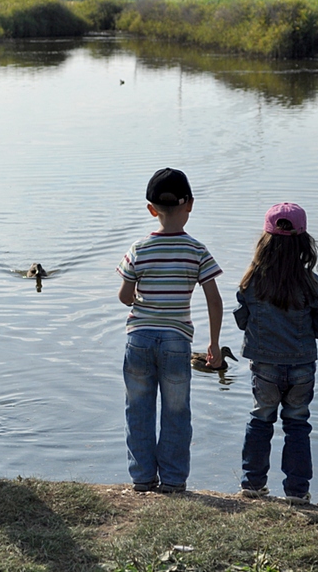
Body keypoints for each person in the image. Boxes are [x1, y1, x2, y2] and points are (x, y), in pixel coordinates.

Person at [116, 168, 224, 493]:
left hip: (139, 340)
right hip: (177, 343)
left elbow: (123, 296)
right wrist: (214, 344)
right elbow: (214, 300)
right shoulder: (197, 251)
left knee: (138, 410)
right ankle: (174, 481)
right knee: (177, 413)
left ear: (151, 209)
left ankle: (143, 479)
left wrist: (140, 300)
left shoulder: (138, 249)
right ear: (189, 204)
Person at [234, 202, 318, 505]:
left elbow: (241, 320)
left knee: (260, 419)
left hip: (264, 365)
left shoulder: (252, 280)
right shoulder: (311, 282)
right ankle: (297, 492)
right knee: (298, 424)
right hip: (302, 366)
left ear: (265, 242)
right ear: (304, 243)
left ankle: (252, 484)